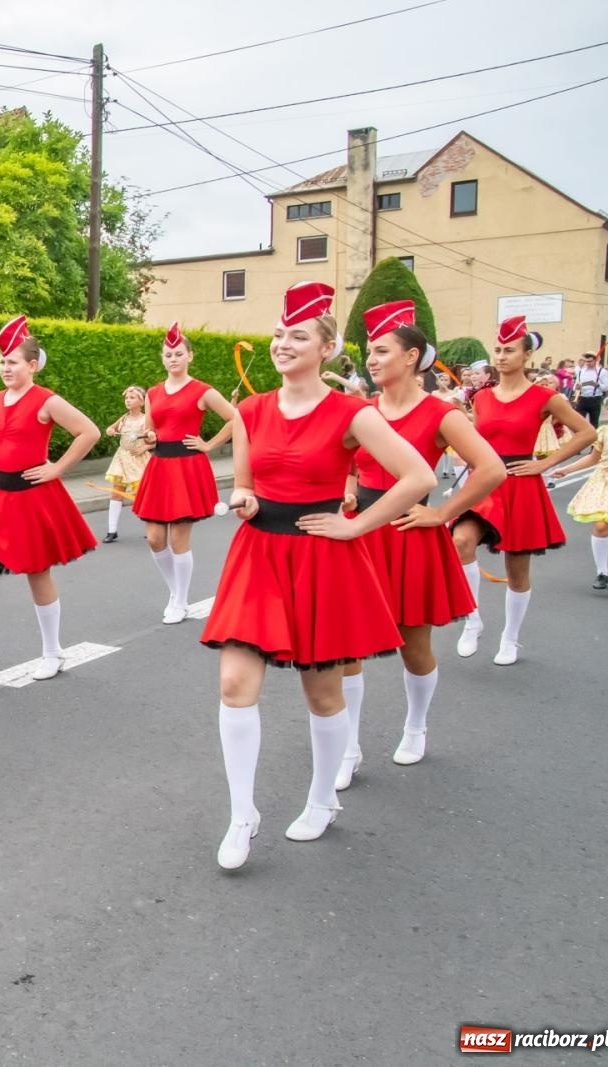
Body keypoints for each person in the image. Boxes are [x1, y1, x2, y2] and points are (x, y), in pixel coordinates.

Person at [199, 282, 436, 871]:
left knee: (322, 692)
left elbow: (418, 476)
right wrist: (245, 498)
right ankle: (241, 815)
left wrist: (357, 528)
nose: (283, 344)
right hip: (257, 555)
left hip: (321, 557)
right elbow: (246, 482)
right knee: (234, 684)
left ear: (326, 348)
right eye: (279, 334)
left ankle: (321, 797)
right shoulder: (251, 411)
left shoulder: (351, 412)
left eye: (298, 336)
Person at [335, 302, 505, 785]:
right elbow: (346, 463)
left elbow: (490, 468)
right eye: (370, 351)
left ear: (412, 357)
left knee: (414, 645)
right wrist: (348, 488)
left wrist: (442, 513)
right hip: (362, 529)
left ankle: (415, 726)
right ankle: (347, 748)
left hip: (409, 534)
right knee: (348, 647)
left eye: (382, 350)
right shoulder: (361, 412)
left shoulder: (439, 412)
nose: (371, 359)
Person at [0, 315, 101, 681]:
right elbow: (0, 436)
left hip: (32, 494)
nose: (5, 368)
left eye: (12, 362)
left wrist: (57, 468)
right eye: (1, 362)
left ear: (32, 366)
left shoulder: (46, 400)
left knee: (36, 570)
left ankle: (52, 650)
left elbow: (88, 432)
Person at [452, 316, 596, 665]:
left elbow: (587, 433)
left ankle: (511, 637)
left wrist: (543, 464)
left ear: (526, 356)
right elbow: (477, 437)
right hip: (485, 480)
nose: (500, 356)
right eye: (497, 350)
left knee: (517, 569)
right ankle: (473, 619)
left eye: (509, 350)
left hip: (520, 482)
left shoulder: (546, 396)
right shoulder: (482, 398)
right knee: (461, 541)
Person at [132, 322, 236, 624]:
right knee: (154, 538)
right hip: (160, 466)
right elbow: (151, 429)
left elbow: (236, 419)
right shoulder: (152, 392)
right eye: (168, 354)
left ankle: (180, 599)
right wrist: (149, 439)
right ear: (162, 358)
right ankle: (175, 591)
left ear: (190, 356)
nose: (173, 358)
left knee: (178, 539)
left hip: (187, 468)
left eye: (178, 353)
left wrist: (209, 445)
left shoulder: (202, 390)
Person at [552, 388, 608, 590]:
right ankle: (602, 571)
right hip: (604, 481)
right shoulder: (604, 432)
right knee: (602, 525)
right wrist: (567, 469)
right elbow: (593, 458)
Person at [103, 385, 152, 543]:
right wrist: (110, 430)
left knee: (142, 494)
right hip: (121, 458)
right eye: (127, 398)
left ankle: (151, 527)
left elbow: (157, 438)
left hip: (138, 460)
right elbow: (111, 428)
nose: (128, 401)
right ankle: (112, 530)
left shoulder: (146, 420)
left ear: (142, 402)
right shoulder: (124, 418)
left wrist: (145, 446)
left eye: (132, 398)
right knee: (116, 492)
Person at [572, 349, 608, 428]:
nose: (588, 363)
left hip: (595, 399)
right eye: (586, 361)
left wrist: (598, 385)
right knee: (579, 422)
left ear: (595, 360)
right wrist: (576, 387)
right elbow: (575, 385)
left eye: (590, 361)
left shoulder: (602, 372)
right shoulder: (581, 371)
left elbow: (606, 387)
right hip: (582, 399)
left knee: (594, 423)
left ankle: (594, 439)